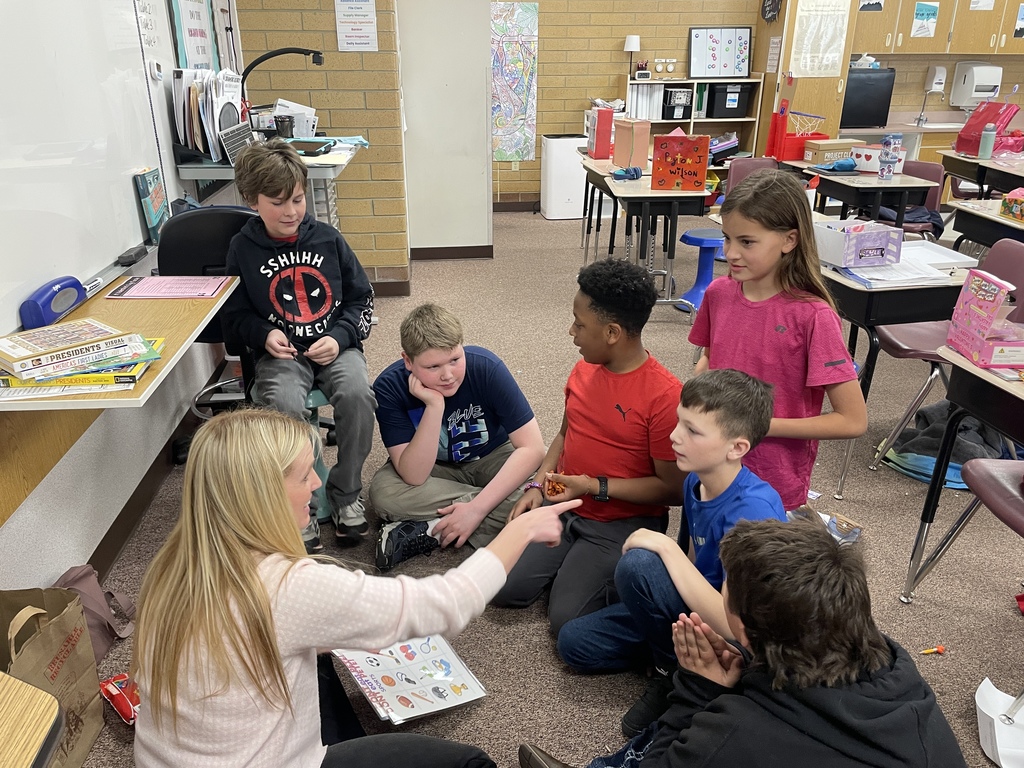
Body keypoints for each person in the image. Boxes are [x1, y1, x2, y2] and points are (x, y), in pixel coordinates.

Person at [131, 407, 580, 768]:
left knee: (319, 658)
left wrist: (343, 627)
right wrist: (519, 532)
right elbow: (448, 603)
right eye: (304, 475)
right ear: (262, 494)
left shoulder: (172, 566)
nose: (317, 484)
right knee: (470, 762)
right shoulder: (288, 585)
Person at [519, 517, 968, 768]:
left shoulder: (733, 735)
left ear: (745, 631)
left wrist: (697, 692)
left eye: (725, 593)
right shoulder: (898, 668)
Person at [556, 368, 787, 737]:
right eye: (680, 422)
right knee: (574, 644)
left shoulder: (752, 512)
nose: (674, 436)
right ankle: (675, 653)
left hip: (734, 636)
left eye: (692, 431)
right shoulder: (696, 478)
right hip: (692, 612)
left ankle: (673, 672)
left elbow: (735, 626)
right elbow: (693, 561)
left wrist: (665, 547)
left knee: (640, 563)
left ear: (737, 448)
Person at [492, 258, 685, 635]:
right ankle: (573, 567)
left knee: (565, 618)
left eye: (580, 324)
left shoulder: (665, 396)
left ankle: (610, 574)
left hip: (622, 520)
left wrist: (592, 485)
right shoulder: (584, 368)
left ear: (612, 332)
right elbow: (564, 434)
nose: (572, 332)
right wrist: (537, 485)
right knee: (503, 588)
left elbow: (672, 490)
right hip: (565, 504)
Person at [221, 138, 376, 552]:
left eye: (297, 199)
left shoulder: (328, 239)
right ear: (252, 200)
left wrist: (339, 337)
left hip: (335, 346)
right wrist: (263, 334)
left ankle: (346, 493)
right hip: (282, 355)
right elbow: (233, 315)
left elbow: (362, 300)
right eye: (277, 203)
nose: (290, 211)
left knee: (358, 394)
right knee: (283, 405)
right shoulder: (242, 249)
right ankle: (297, 504)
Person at [689, 168, 867, 511]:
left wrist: (758, 425)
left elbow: (852, 420)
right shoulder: (719, 293)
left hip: (773, 481)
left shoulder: (813, 316)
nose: (731, 253)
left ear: (789, 240)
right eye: (727, 238)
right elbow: (710, 360)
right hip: (714, 465)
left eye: (747, 242)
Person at [368, 303, 545, 570]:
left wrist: (476, 509)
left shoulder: (486, 367)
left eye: (455, 359)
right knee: (383, 493)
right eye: (433, 366)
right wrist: (434, 406)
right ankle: (497, 520)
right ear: (408, 361)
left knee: (547, 483)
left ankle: (431, 529)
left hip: (492, 456)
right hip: (436, 470)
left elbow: (533, 448)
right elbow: (414, 475)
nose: (448, 376)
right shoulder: (389, 386)